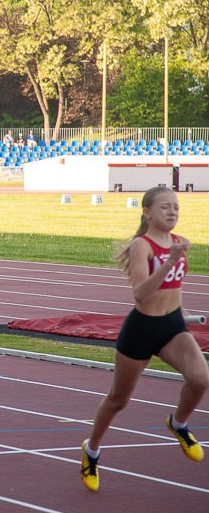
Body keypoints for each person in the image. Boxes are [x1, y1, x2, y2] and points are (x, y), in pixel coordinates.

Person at [80, 186, 207, 491]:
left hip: (172, 326)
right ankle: (91, 450)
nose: (172, 211)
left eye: (176, 206)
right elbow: (140, 294)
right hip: (142, 329)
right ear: (147, 212)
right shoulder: (143, 245)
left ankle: (178, 423)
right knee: (118, 400)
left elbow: (173, 289)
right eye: (165, 207)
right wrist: (170, 261)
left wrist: (181, 311)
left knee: (201, 379)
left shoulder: (178, 242)